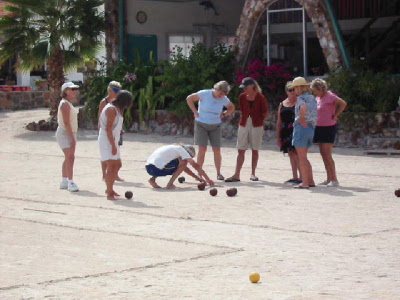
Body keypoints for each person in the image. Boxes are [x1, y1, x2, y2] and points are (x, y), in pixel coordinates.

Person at [186, 81, 235, 180]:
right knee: (202, 148)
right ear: (215, 89)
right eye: (220, 93)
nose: (221, 96)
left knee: (216, 149)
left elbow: (231, 107)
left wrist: (225, 114)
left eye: (223, 94)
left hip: (215, 125)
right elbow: (189, 98)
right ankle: (199, 172)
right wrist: (195, 111)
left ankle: (218, 173)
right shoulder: (204, 93)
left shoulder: (224, 99)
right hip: (201, 123)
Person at [225, 77, 268, 182]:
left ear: (252, 86)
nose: (244, 89)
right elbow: (242, 109)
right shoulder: (242, 96)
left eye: (245, 87)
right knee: (241, 149)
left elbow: (265, 113)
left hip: (257, 124)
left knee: (255, 149)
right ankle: (236, 174)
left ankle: (253, 174)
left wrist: (258, 120)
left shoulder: (260, 97)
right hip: (244, 123)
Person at [311, 78, 347, 187]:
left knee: (327, 154)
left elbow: (343, 103)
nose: (314, 93)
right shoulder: (318, 98)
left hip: (328, 127)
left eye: (315, 90)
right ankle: (328, 178)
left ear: (321, 88)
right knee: (323, 154)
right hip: (319, 127)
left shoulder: (330, 95)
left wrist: (336, 115)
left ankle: (334, 179)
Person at [98, 90, 133, 200]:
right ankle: (109, 193)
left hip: (113, 139)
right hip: (107, 140)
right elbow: (107, 128)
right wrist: (113, 145)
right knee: (112, 166)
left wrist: (119, 131)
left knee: (117, 165)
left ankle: (110, 189)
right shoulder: (111, 109)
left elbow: (112, 126)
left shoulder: (117, 109)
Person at [290, 77, 317, 189]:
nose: (293, 91)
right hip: (311, 127)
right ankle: (310, 180)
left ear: (299, 87)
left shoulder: (301, 98)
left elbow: (303, 107)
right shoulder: (312, 98)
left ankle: (305, 182)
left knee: (301, 157)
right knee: (304, 157)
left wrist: (300, 118)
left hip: (301, 127)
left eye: (294, 88)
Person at [145, 144, 214, 189]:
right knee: (183, 162)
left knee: (164, 163)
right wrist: (207, 179)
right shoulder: (182, 151)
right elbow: (195, 166)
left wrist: (197, 178)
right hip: (157, 169)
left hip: (149, 168)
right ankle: (170, 184)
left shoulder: (174, 149)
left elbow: (184, 168)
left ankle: (152, 179)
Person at [56, 82, 80, 192]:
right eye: (72, 89)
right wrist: (72, 138)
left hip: (70, 132)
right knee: (70, 157)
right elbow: (66, 122)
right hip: (65, 133)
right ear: (65, 91)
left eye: (75, 89)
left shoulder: (68, 103)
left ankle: (64, 180)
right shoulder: (65, 104)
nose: (74, 91)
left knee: (69, 157)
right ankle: (70, 182)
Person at [98, 81, 124, 181]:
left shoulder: (119, 102)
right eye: (115, 90)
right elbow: (100, 117)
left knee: (116, 154)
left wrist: (120, 129)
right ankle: (105, 175)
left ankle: (115, 175)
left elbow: (119, 117)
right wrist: (100, 130)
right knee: (105, 155)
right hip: (106, 131)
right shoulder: (104, 102)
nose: (117, 93)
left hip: (115, 132)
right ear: (109, 90)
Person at [276, 81, 301, 184]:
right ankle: (295, 176)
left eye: (294, 90)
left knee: (297, 154)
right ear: (286, 91)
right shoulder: (282, 104)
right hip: (286, 131)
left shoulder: (300, 102)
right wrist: (278, 137)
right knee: (290, 154)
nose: (292, 92)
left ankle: (302, 176)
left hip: (297, 130)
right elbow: (279, 121)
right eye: (290, 90)